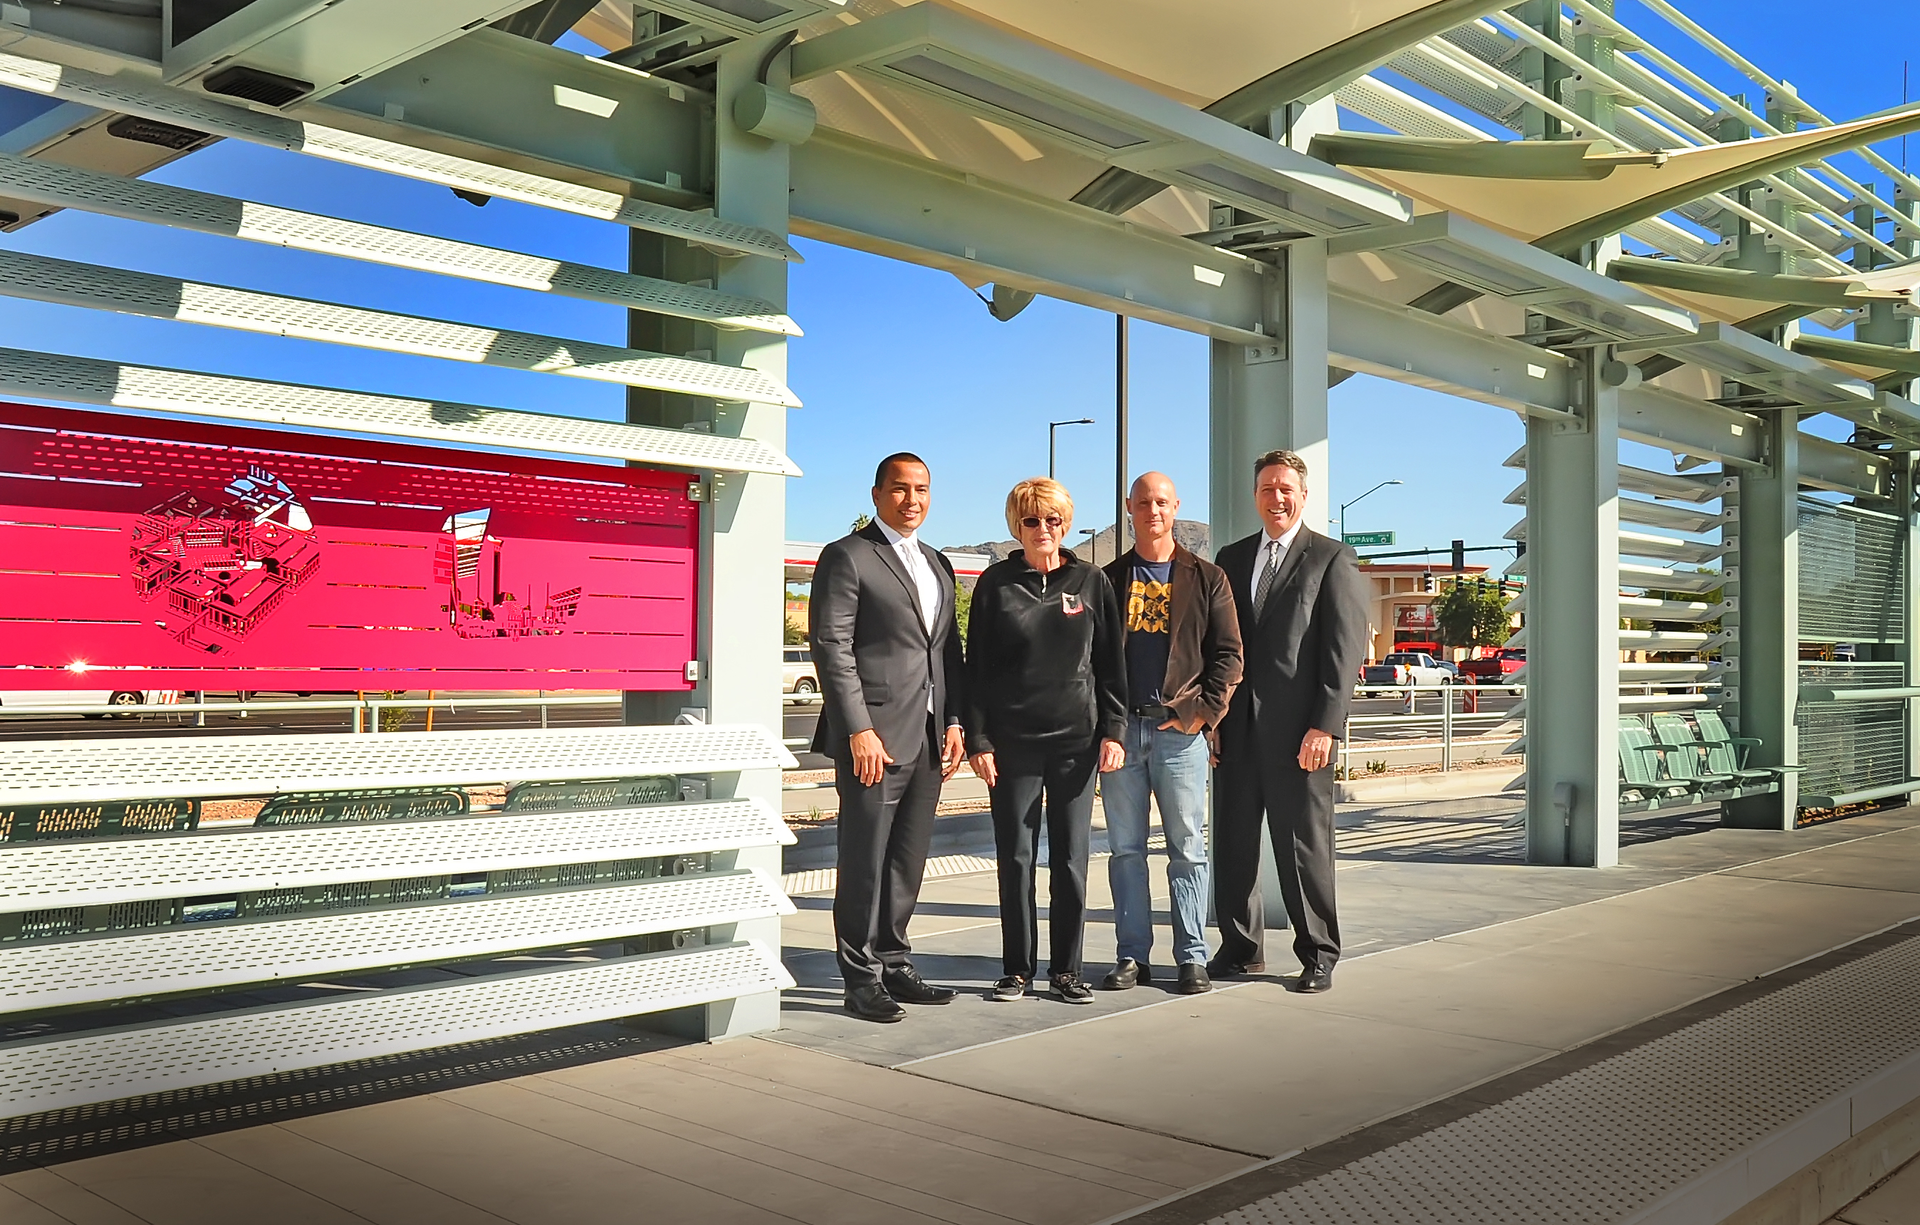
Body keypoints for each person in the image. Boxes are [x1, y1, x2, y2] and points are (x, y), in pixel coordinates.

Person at [810, 453, 968, 1023]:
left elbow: (947, 650)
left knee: (907, 859)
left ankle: (895, 962)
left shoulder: (937, 562)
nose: (912, 499)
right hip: (874, 738)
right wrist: (858, 729)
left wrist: (955, 721)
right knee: (864, 860)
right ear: (877, 494)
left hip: (928, 734)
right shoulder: (848, 556)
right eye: (900, 489)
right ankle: (860, 978)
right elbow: (831, 647)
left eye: (922, 489)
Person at [1209, 450, 1370, 994]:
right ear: (1254, 495)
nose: (1275, 498)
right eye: (1266, 489)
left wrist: (1325, 725)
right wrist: (1212, 718)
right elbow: (1219, 644)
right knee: (1233, 845)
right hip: (1235, 732)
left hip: (1301, 735)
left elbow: (1343, 650)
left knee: (1303, 847)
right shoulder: (1231, 558)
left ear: (1303, 495)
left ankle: (1318, 953)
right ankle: (1240, 949)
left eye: (1285, 489)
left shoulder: (1331, 557)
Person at [966, 478, 1126, 1005]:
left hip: (1076, 744)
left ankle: (1066, 971)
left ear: (1065, 524)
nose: (1043, 529)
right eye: (1031, 520)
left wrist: (1114, 731)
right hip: (1012, 746)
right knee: (1015, 859)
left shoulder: (1091, 581)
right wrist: (979, 740)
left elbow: (1111, 664)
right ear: (1017, 526)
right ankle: (1016, 969)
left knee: (1071, 860)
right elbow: (977, 669)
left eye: (1052, 520)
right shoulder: (995, 584)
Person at [1098, 472, 1243, 995]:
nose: (1152, 510)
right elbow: (1093, 661)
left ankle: (1192, 957)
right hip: (1122, 732)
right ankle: (1132, 955)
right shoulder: (1107, 579)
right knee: (1125, 851)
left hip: (1179, 734)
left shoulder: (1207, 577)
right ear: (1129, 507)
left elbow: (1229, 655)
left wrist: (1202, 714)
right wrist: (1106, 727)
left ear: (1175, 506)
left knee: (1187, 848)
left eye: (1161, 502)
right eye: (1143, 502)